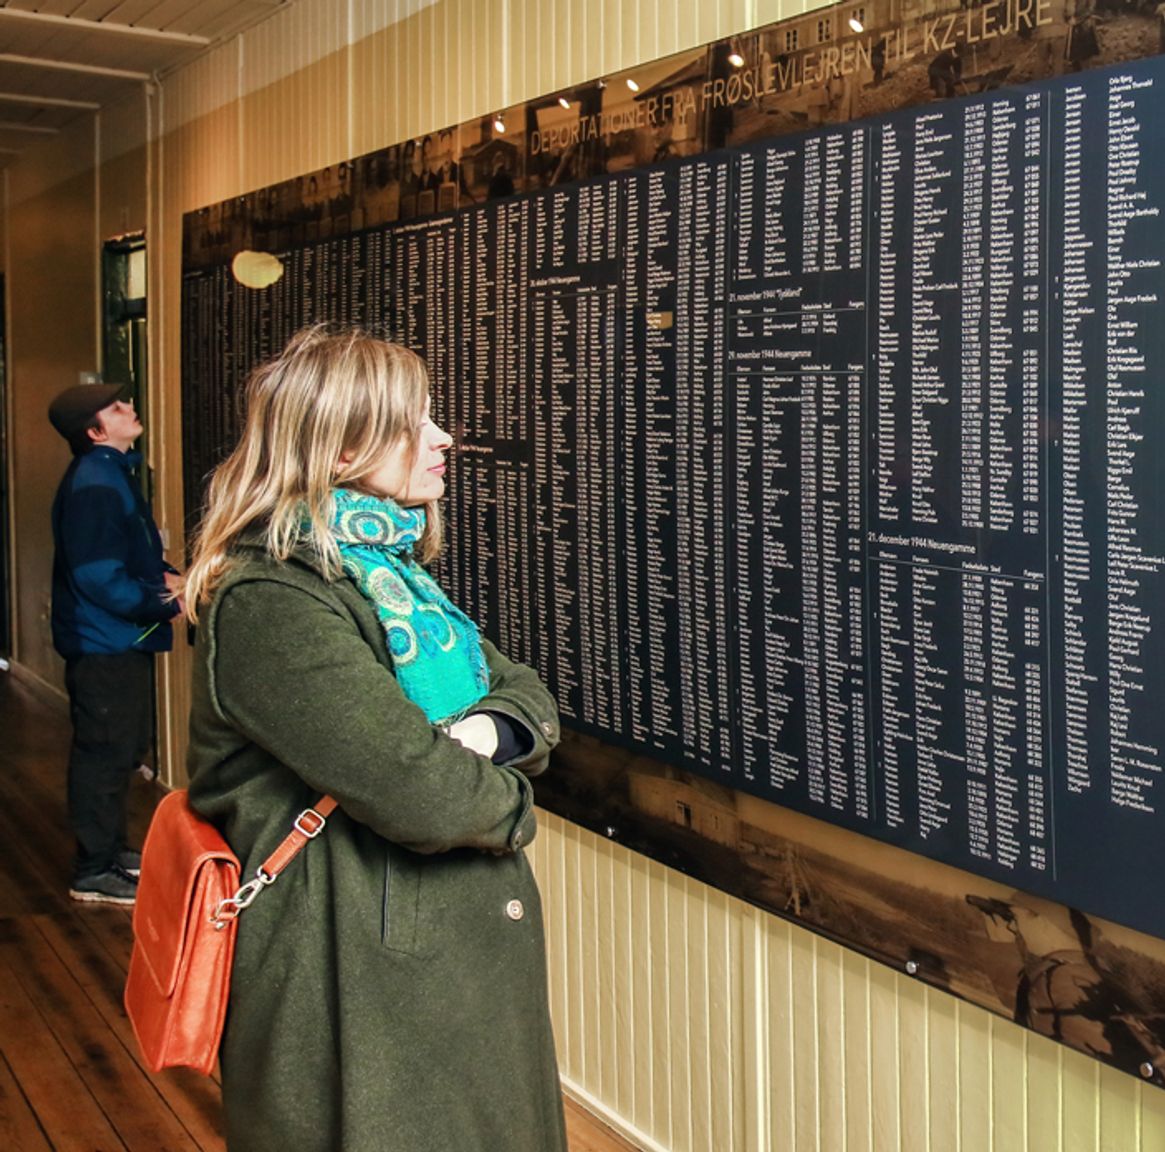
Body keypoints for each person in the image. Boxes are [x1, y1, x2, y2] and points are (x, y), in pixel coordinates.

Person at [182, 327, 567, 1152]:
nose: (443, 438)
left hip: (427, 964)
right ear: (342, 447)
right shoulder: (273, 599)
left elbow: (529, 699)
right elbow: (428, 799)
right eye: (412, 423)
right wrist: (495, 782)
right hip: (355, 980)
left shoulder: (390, 577)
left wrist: (466, 736)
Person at [48, 383, 182, 905]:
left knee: (122, 747)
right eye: (117, 408)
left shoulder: (111, 474)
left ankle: (111, 852)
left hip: (120, 639)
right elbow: (99, 575)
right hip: (103, 643)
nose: (131, 409)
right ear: (96, 431)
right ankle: (93, 869)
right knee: (104, 753)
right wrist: (163, 601)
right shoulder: (96, 481)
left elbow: (130, 555)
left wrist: (166, 577)